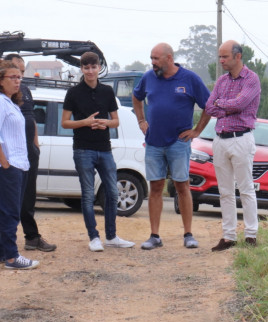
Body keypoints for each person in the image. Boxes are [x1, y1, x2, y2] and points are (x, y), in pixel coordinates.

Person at [132, 43, 210, 250]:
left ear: (169, 58)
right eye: (151, 58)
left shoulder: (190, 79)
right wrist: (141, 120)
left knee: (182, 186)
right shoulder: (148, 77)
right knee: (155, 187)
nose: (153, 62)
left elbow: (208, 105)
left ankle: (188, 235)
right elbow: (136, 97)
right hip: (154, 142)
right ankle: (154, 236)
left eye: (156, 59)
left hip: (179, 142)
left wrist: (197, 131)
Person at [61, 52, 134, 252]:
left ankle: (111, 236)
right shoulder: (73, 93)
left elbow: (116, 121)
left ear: (99, 68)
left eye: (93, 67)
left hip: (104, 148)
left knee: (112, 192)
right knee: (87, 194)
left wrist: (105, 123)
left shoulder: (107, 91)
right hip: (83, 148)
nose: (90, 71)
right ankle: (93, 237)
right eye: (86, 68)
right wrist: (84, 122)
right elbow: (65, 122)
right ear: (82, 69)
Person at [204, 41, 261, 252]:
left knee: (246, 189)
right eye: (220, 56)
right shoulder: (221, 81)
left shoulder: (251, 79)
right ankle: (228, 237)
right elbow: (210, 106)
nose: (221, 61)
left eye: (225, 57)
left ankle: (251, 236)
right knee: (225, 192)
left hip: (241, 139)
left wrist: (223, 104)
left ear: (238, 57)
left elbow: (241, 103)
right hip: (220, 139)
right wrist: (226, 106)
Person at [2, 54, 57, 253]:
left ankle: (31, 237)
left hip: (26, 154)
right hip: (11, 158)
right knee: (9, 204)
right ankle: (8, 250)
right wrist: (6, 162)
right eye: (15, 73)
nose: (19, 78)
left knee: (26, 198)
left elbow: (31, 120)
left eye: (22, 73)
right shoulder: (4, 98)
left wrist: (35, 145)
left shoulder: (23, 93)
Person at [0, 61, 39, 269]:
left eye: (19, 77)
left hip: (20, 164)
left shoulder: (11, 103)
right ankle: (12, 257)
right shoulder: (0, 102)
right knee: (10, 212)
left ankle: (3, 252)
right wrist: (5, 163)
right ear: (1, 81)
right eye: (12, 78)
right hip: (10, 166)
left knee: (8, 210)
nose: (17, 81)